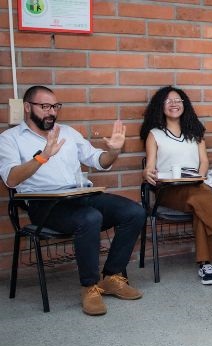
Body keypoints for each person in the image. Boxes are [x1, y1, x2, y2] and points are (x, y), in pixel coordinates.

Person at [0, 85, 146, 316]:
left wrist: (114, 152)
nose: (51, 112)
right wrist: (42, 157)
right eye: (44, 106)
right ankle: (89, 287)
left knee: (134, 212)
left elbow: (99, 161)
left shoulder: (67, 132)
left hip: (80, 196)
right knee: (90, 218)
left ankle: (111, 277)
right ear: (28, 108)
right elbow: (10, 179)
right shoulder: (10, 138)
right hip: (44, 204)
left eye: (55, 107)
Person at [141, 86, 212, 286]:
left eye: (178, 100)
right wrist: (147, 173)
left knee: (200, 203)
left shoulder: (195, 132)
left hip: (196, 186)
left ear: (185, 105)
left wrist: (199, 176)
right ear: (160, 106)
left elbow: (204, 162)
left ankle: (206, 265)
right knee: (201, 196)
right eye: (168, 101)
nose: (174, 104)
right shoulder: (154, 134)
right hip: (169, 191)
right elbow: (149, 166)